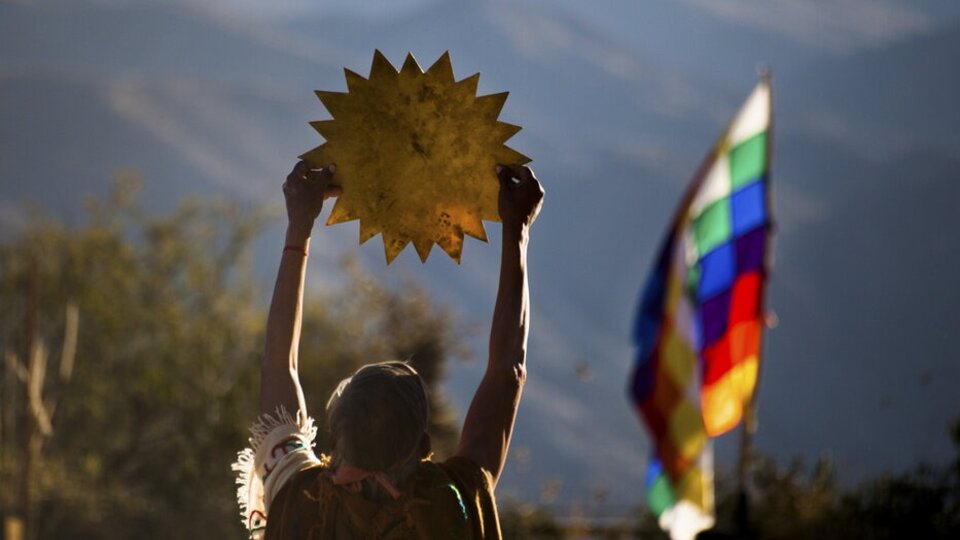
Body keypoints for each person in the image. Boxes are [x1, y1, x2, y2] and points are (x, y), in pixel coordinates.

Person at [233, 160, 544, 539]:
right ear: (424, 446)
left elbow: (278, 366)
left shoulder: (301, 502)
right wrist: (518, 232)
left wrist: (299, 224)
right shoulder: (452, 506)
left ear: (334, 444)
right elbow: (509, 370)